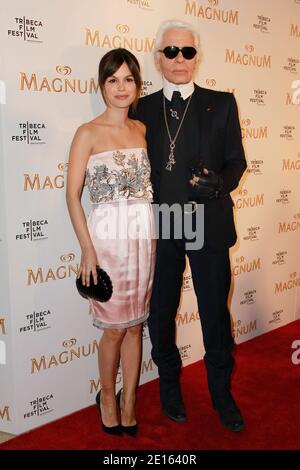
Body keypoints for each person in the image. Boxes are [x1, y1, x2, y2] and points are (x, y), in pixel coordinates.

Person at [133, 20, 247, 431]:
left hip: (208, 223)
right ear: (158, 58)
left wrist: (221, 185)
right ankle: (169, 386)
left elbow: (237, 162)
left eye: (187, 51)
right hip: (162, 224)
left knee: (215, 311)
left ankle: (221, 393)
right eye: (170, 51)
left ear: (197, 56)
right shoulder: (141, 108)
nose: (179, 59)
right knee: (161, 310)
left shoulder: (223, 102)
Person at [66, 48, 156, 437]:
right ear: (101, 85)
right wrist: (87, 248)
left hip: (143, 238)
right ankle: (106, 397)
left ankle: (130, 400)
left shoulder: (141, 130)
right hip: (108, 242)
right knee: (115, 329)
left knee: (136, 327)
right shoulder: (87, 132)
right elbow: (72, 195)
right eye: (112, 80)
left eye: (129, 79)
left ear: (137, 85)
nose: (121, 88)